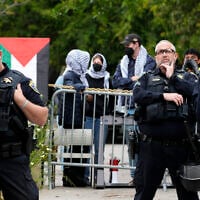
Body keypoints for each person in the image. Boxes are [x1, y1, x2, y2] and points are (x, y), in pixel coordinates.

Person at [133, 40, 199, 200]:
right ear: (155, 57)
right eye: (160, 52)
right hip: (151, 147)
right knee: (143, 194)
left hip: (181, 147)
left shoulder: (188, 77)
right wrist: (163, 96)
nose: (164, 54)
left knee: (188, 195)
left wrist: (173, 78)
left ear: (175, 55)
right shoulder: (147, 78)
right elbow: (138, 95)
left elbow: (194, 92)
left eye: (168, 51)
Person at [0, 51, 48, 199]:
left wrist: (21, 101)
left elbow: (42, 117)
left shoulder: (19, 82)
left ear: (0, 54)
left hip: (11, 160)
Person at [112, 33, 156, 185]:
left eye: (129, 44)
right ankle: (134, 176)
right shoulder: (123, 62)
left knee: (145, 144)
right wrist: (131, 80)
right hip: (127, 109)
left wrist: (133, 82)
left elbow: (144, 81)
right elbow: (115, 81)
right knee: (131, 145)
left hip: (143, 109)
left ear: (136, 43)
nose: (126, 47)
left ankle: (144, 176)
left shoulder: (149, 61)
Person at [58, 49, 90, 187]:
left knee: (79, 149)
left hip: (75, 117)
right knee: (74, 150)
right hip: (70, 118)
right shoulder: (70, 74)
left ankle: (77, 178)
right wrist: (81, 87)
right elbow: (69, 85)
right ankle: (72, 179)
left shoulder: (78, 75)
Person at [84, 53, 114, 183]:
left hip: (102, 117)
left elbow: (112, 98)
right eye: (95, 62)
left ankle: (98, 177)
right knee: (86, 148)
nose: (97, 64)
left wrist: (110, 113)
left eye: (99, 62)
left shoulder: (107, 79)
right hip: (88, 116)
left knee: (99, 149)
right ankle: (85, 176)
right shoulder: (85, 76)